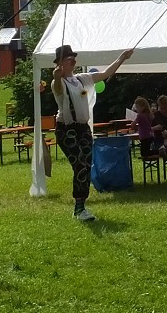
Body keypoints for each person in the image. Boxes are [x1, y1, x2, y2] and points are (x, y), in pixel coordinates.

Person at [52, 44, 133, 222]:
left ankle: (80, 207)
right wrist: (57, 78)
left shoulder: (82, 79)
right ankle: (79, 209)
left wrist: (122, 58)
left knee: (86, 165)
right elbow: (58, 90)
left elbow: (104, 74)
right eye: (68, 58)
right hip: (66, 128)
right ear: (59, 63)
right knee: (80, 164)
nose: (73, 61)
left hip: (83, 129)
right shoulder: (58, 82)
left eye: (73, 58)